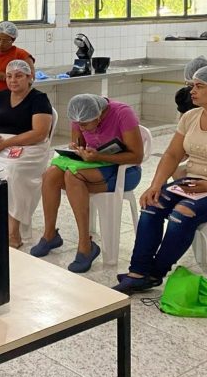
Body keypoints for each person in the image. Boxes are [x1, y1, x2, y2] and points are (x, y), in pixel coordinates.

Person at [113, 65, 207, 294]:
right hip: (195, 182)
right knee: (152, 206)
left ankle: (154, 273)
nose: (192, 91)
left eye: (199, 86)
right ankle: (137, 272)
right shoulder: (191, 117)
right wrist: (156, 185)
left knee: (182, 213)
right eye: (192, 85)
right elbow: (172, 154)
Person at [31, 94, 144, 273]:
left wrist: (99, 156)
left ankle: (85, 244)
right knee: (50, 175)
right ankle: (50, 234)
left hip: (125, 171)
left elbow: (137, 156)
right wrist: (77, 149)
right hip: (94, 166)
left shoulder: (122, 114)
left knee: (73, 176)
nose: (80, 127)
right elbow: (80, 143)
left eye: (84, 125)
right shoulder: (81, 114)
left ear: (98, 116)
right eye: (78, 124)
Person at [0, 60, 54, 248]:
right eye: (9, 76)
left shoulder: (39, 99)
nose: (13, 80)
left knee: (12, 172)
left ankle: (13, 232)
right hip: (1, 143)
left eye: (19, 76)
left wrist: (7, 143)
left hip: (31, 147)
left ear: (29, 78)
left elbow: (39, 133)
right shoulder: (1, 96)